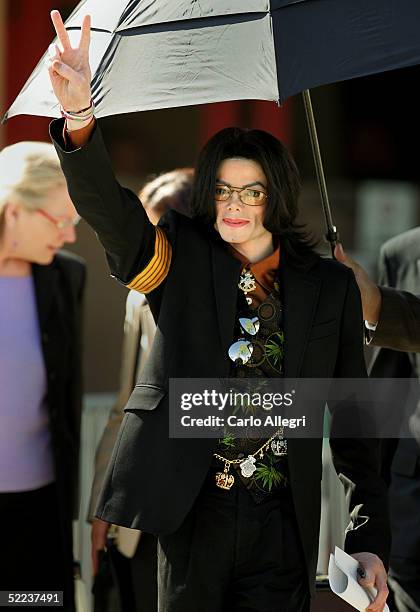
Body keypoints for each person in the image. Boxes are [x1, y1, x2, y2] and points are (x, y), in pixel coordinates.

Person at [47, 11, 390, 612]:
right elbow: (114, 216)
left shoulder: (329, 287)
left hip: (282, 525)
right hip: (190, 515)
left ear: (276, 195)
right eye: (224, 190)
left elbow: (357, 424)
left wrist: (366, 538)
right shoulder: (178, 262)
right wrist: (80, 120)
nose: (235, 205)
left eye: (251, 190)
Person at [89, 168, 194, 611]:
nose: (146, 254)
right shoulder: (139, 298)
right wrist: (102, 505)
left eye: (158, 235)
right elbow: (124, 409)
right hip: (142, 512)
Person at [0, 141, 85, 610]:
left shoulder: (65, 279)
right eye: (60, 221)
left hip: (40, 514)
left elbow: (65, 403)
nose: (70, 236)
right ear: (14, 211)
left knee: (33, 604)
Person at [336, 235, 420, 612]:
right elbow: (390, 397)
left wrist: (379, 306)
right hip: (414, 516)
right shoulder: (404, 252)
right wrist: (374, 526)